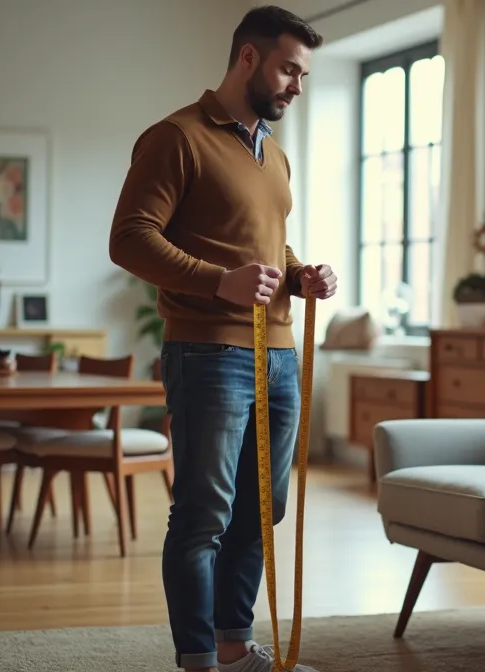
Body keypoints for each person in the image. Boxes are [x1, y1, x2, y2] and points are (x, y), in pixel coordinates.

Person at [108, 6, 335, 671]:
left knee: (263, 512)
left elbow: (264, 245)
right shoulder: (176, 137)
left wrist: (300, 275)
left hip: (279, 354)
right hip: (209, 352)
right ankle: (199, 659)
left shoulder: (274, 153)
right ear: (248, 58)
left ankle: (235, 649)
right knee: (204, 514)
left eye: (303, 75)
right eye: (289, 70)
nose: (297, 86)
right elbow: (130, 238)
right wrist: (218, 283)